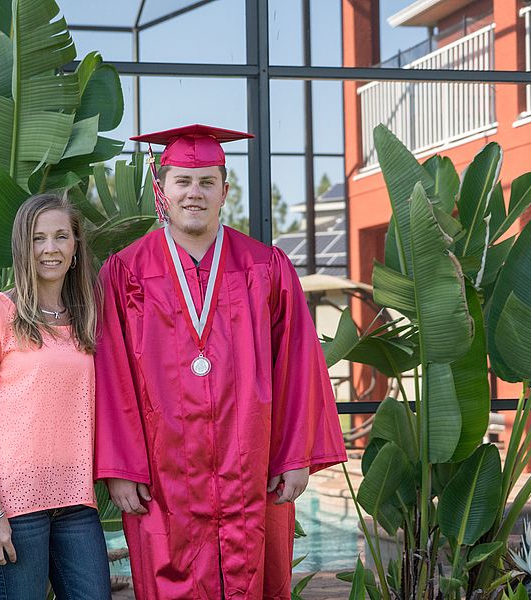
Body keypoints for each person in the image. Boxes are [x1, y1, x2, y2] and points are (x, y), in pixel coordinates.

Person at [94, 124, 347, 599]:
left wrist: (295, 458)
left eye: (207, 182)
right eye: (183, 182)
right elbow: (112, 376)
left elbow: (297, 365)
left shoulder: (265, 267)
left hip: (250, 468)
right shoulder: (126, 272)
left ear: (225, 191)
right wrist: (121, 467)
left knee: (251, 576)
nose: (195, 193)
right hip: (163, 472)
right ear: (161, 188)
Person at [0, 192, 111, 599]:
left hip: (76, 502)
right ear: (21, 247)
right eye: (38, 238)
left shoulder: (87, 317)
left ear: (75, 246)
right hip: (13, 506)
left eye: (61, 236)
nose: (50, 248)